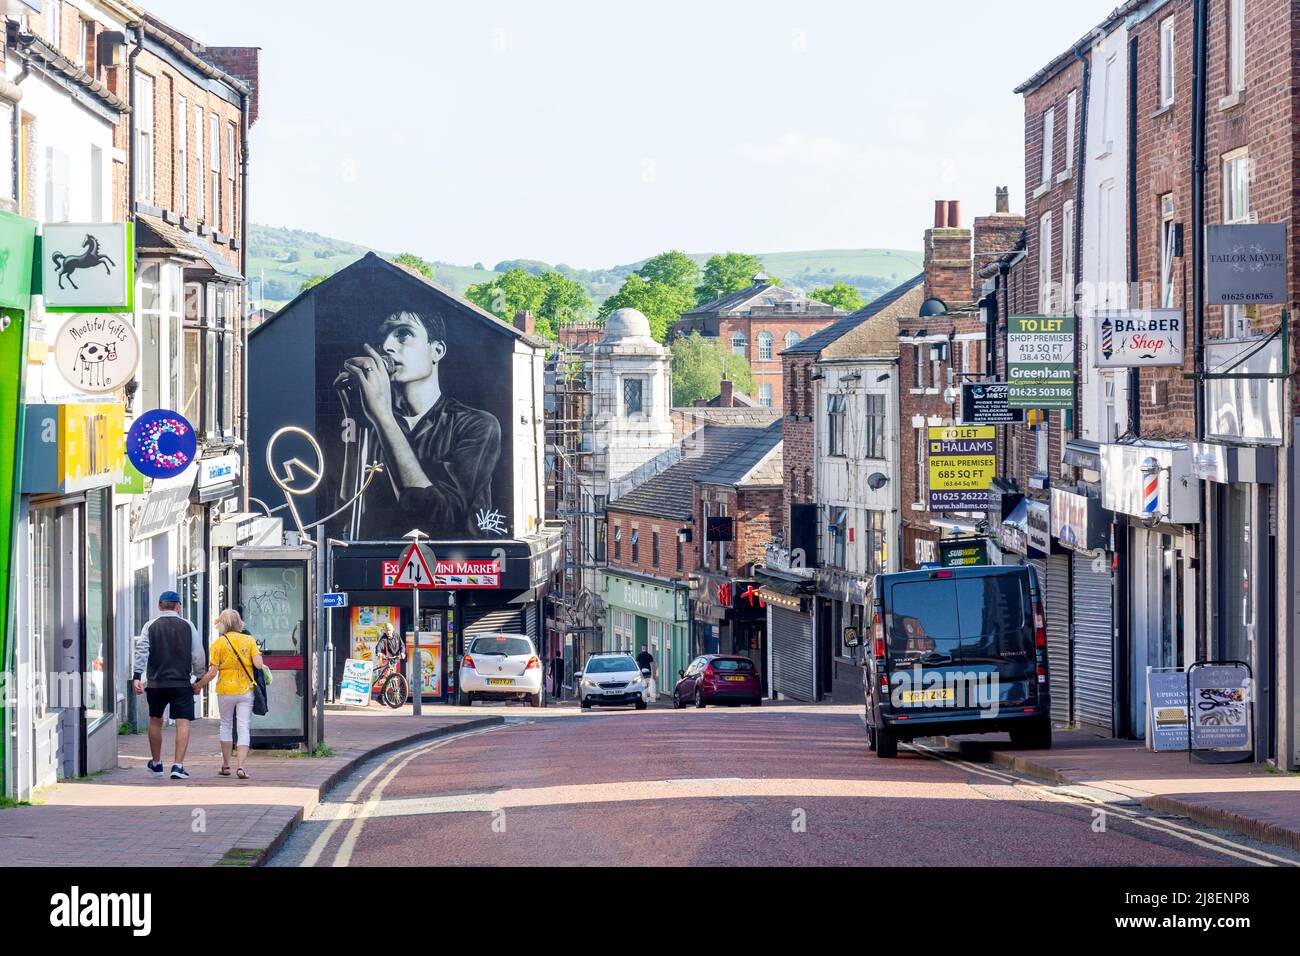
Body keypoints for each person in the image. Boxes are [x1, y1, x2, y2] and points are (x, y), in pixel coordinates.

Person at [342, 307, 503, 540]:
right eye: (381, 338)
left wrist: (383, 417)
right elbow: (349, 507)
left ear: (437, 350)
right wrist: (350, 407)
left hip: (454, 569)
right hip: (380, 565)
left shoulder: (477, 425)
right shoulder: (372, 421)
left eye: (403, 334)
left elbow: (440, 519)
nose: (386, 346)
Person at [133, 591, 205, 780]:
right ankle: (178, 766)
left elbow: (141, 651)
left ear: (159, 606)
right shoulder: (188, 625)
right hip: (181, 683)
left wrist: (136, 676)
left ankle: (156, 764)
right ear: (178, 606)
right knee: (183, 723)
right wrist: (199, 677)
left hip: (156, 683)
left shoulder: (150, 626)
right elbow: (197, 653)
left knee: (155, 721)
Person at [194, 609, 265, 780]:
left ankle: (226, 765)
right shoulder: (249, 640)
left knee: (225, 725)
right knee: (243, 727)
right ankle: (240, 767)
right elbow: (259, 664)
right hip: (245, 690)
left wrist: (198, 685)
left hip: (225, 690)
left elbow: (212, 672)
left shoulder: (218, 643)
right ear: (239, 622)